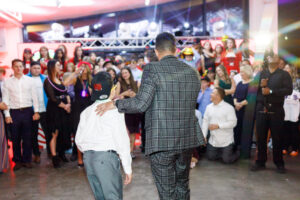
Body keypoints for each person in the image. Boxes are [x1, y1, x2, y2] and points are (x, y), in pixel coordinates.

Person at [96, 32, 205, 200]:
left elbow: (141, 103)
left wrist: (115, 103)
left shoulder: (152, 69)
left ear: (156, 51)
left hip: (162, 138)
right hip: (187, 138)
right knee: (182, 185)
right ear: (176, 49)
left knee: (167, 190)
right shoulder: (192, 72)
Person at [75, 72, 132, 200]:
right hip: (106, 159)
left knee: (99, 196)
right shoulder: (115, 110)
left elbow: (78, 140)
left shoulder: (86, 112)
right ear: (112, 90)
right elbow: (122, 140)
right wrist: (127, 167)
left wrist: (89, 152)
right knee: (112, 196)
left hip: (88, 159)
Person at [251, 54, 293, 174]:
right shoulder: (261, 73)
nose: (271, 58)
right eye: (270, 57)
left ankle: (279, 163)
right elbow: (253, 90)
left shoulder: (284, 74)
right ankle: (260, 161)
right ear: (267, 60)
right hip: (261, 109)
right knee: (261, 137)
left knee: (277, 138)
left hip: (276, 110)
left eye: (274, 57)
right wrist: (260, 86)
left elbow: (288, 90)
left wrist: (271, 91)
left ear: (279, 61)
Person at [2, 59, 40, 170]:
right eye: (16, 66)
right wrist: (7, 115)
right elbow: (5, 100)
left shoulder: (30, 81)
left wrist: (36, 111)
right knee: (15, 138)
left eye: (20, 66)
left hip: (28, 111)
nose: (19, 68)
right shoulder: (7, 82)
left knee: (28, 137)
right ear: (12, 68)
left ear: (24, 67)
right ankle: (17, 160)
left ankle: (27, 160)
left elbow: (35, 97)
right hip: (14, 112)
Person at [63, 61, 93, 167]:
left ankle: (89, 157)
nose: (83, 68)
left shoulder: (92, 79)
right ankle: (79, 158)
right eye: (81, 67)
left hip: (89, 108)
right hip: (77, 108)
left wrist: (93, 91)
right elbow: (65, 83)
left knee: (89, 132)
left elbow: (101, 90)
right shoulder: (76, 79)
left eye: (85, 67)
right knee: (78, 131)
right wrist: (75, 73)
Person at [44, 60, 72, 168]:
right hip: (54, 109)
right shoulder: (48, 81)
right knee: (54, 133)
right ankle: (54, 157)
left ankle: (61, 154)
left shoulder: (60, 79)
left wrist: (68, 104)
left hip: (64, 109)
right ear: (52, 67)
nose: (60, 66)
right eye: (57, 65)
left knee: (63, 132)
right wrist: (65, 106)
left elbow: (66, 93)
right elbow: (52, 98)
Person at [202, 87, 239, 164]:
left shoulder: (229, 108)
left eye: (212, 93)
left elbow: (233, 123)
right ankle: (221, 153)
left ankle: (237, 152)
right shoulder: (208, 107)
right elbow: (205, 122)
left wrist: (218, 126)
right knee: (210, 157)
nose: (210, 95)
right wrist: (204, 135)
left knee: (227, 160)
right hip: (213, 141)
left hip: (226, 141)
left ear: (218, 96)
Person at [114, 67, 141, 158]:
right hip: (124, 111)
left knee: (133, 132)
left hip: (134, 110)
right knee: (125, 131)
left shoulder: (137, 83)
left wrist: (135, 95)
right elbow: (115, 97)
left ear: (130, 73)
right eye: (123, 73)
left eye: (126, 72)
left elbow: (141, 98)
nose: (125, 74)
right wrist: (124, 94)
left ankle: (130, 151)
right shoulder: (119, 83)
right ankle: (124, 151)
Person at [27, 61, 49, 163]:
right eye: (34, 68)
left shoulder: (45, 78)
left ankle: (51, 152)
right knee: (33, 133)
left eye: (38, 68)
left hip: (44, 109)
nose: (36, 70)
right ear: (30, 69)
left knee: (48, 131)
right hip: (32, 110)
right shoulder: (26, 78)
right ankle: (36, 154)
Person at [233, 65, 253, 151]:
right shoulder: (240, 83)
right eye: (240, 72)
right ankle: (235, 146)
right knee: (237, 128)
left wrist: (240, 104)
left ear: (248, 72)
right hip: (238, 110)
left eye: (242, 72)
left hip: (247, 110)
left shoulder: (252, 84)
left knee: (245, 130)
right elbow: (235, 96)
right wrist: (236, 104)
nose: (241, 74)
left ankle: (244, 149)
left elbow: (250, 98)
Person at [282, 64, 300, 156]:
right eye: (285, 67)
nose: (285, 69)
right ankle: (284, 147)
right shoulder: (282, 80)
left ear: (292, 69)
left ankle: (294, 148)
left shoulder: (297, 81)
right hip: (285, 106)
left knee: (294, 127)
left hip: (295, 107)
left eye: (287, 67)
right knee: (285, 127)